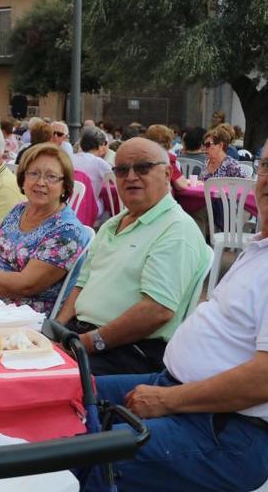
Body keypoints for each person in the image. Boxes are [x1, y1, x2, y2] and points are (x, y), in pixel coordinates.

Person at [79, 119, 268, 492]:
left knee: (86, 452)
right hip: (181, 393)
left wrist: (168, 401)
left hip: (232, 433)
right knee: (64, 398)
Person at [55, 138, 210, 375]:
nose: (131, 176)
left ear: (167, 173)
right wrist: (56, 330)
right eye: (122, 170)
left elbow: (157, 310)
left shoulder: (176, 230)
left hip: (129, 350)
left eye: (143, 168)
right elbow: (81, 285)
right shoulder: (112, 224)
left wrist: (87, 343)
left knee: (35, 383)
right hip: (85, 336)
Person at [0, 143, 88, 314]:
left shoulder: (67, 231)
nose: (40, 182)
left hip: (21, 318)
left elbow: (25, 284)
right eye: (34, 174)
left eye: (51, 176)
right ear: (23, 179)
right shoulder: (19, 211)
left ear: (64, 186)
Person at [72, 127, 113, 216]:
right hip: (89, 208)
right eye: (104, 143)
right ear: (100, 145)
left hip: (68, 205)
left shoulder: (70, 158)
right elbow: (116, 182)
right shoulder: (100, 163)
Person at [145, 124, 189, 191]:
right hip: (162, 198)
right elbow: (182, 185)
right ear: (168, 141)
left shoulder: (142, 156)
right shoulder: (167, 158)